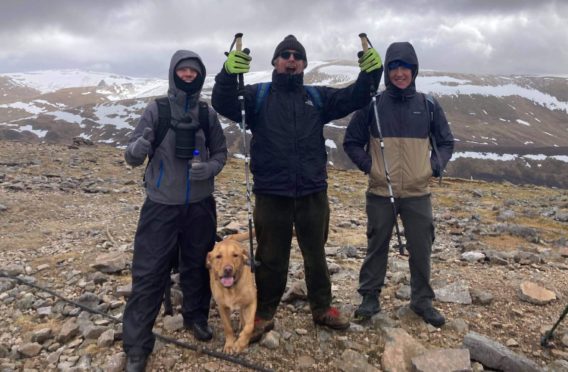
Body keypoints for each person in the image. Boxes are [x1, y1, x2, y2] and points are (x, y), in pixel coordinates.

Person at [212, 34, 383, 340]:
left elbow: (356, 96)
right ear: (275, 62)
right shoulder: (257, 97)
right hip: (271, 192)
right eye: (285, 55)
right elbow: (222, 100)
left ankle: (323, 308)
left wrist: (372, 73)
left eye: (297, 56)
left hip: (312, 191)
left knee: (315, 254)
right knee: (271, 256)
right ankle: (263, 312)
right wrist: (227, 74)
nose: (291, 59)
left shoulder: (317, 98)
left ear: (303, 64)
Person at [122, 50, 227, 371]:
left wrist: (208, 168)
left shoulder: (207, 114)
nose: (188, 75)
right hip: (160, 206)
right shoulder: (157, 110)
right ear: (173, 73)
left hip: (200, 205)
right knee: (149, 273)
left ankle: (196, 318)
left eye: (193, 71)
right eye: (182, 70)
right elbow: (131, 155)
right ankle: (137, 346)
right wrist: (136, 150)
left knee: (197, 266)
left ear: (201, 75)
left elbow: (221, 153)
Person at [343, 41, 454, 327]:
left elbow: (445, 141)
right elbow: (351, 141)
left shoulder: (428, 105)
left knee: (421, 247)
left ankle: (421, 301)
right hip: (381, 191)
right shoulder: (374, 105)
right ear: (387, 72)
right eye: (393, 68)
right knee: (376, 245)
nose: (399, 73)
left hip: (418, 192)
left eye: (405, 67)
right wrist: (372, 168)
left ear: (414, 70)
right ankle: (369, 297)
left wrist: (433, 166)